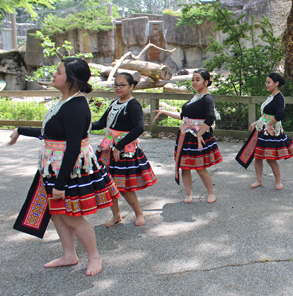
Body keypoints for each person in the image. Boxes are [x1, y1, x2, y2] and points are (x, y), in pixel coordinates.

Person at [8, 58, 119, 276]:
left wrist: (60, 183)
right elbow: (50, 133)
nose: (54, 75)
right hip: (53, 166)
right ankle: (69, 255)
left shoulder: (76, 107)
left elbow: (73, 148)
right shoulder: (65, 102)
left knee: (72, 216)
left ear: (72, 80)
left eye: (58, 72)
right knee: (57, 213)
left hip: (68, 170)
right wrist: (20, 129)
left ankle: (94, 256)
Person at [92, 73, 156, 227]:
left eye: (122, 85)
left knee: (125, 186)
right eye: (116, 84)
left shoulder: (133, 105)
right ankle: (116, 215)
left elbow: (139, 128)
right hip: (108, 148)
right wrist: (83, 124)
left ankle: (139, 213)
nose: (118, 88)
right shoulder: (114, 103)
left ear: (131, 86)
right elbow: (101, 123)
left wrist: (119, 146)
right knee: (108, 182)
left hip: (124, 149)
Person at [153, 69, 221, 203]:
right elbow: (184, 117)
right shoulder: (195, 96)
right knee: (184, 167)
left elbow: (210, 118)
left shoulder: (207, 98)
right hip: (185, 135)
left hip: (196, 137)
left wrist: (199, 134)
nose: (194, 82)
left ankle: (211, 193)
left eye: (198, 80)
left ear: (206, 82)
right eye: (193, 80)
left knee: (200, 168)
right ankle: (189, 194)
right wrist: (164, 112)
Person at [236, 72, 293, 190]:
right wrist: (256, 122)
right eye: (266, 82)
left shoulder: (279, 97)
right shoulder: (271, 96)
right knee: (258, 157)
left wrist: (269, 124)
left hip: (271, 130)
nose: (266, 84)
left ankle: (278, 181)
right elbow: (266, 114)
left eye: (268, 82)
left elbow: (280, 115)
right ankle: (259, 180)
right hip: (262, 129)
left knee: (270, 159)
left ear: (276, 83)